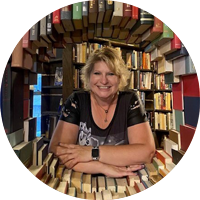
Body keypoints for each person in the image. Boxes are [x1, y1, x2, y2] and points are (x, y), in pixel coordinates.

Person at [49, 46, 155, 178]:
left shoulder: (130, 100)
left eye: (111, 74)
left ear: (120, 78)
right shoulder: (76, 101)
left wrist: (91, 153)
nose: (104, 81)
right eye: (97, 73)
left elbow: (146, 153)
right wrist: (103, 167)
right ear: (88, 76)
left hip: (125, 181)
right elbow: (57, 151)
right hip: (83, 179)